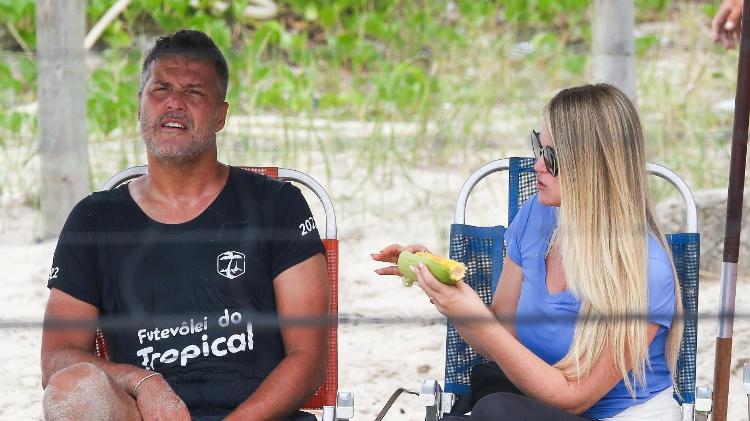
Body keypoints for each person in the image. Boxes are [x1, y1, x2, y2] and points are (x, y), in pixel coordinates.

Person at [41, 29, 329, 421]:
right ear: (140, 106)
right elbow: (57, 359)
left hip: (261, 417)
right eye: (160, 89)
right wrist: (144, 382)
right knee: (72, 390)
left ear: (221, 116)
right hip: (145, 414)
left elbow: (309, 359)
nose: (174, 103)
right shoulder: (95, 220)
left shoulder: (278, 206)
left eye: (194, 92)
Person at [372, 84, 684, 420]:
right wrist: (444, 289)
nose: (536, 165)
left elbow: (574, 399)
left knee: (496, 408)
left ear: (593, 167)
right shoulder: (538, 215)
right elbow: (498, 337)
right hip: (536, 405)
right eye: (539, 147)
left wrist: (478, 319)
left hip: (615, 415)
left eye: (551, 157)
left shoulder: (645, 269)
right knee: (493, 395)